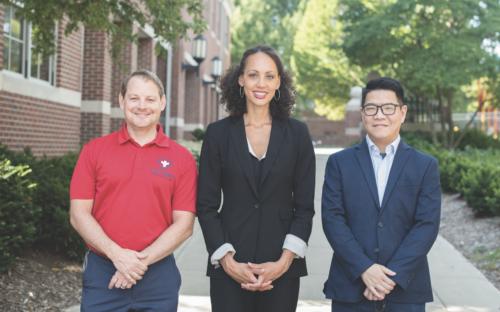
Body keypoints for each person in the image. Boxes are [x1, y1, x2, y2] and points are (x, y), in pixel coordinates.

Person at [197, 45, 315, 312]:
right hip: (230, 266)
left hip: (282, 269)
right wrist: (227, 261)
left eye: (269, 76)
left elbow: (305, 208)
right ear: (240, 79)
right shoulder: (218, 134)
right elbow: (205, 205)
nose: (261, 83)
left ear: (279, 82)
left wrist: (284, 262)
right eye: (253, 75)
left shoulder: (297, 134)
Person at [69, 70, 197, 311]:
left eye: (150, 99)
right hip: (103, 272)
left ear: (162, 103)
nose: (142, 106)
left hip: (158, 277)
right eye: (134, 98)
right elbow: (79, 215)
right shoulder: (94, 151)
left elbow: (184, 225)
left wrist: (136, 264)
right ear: (121, 101)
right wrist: (118, 255)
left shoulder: (182, 159)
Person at [321, 77, 441, 312]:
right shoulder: (339, 163)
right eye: (371, 108)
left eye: (388, 108)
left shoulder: (425, 166)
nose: (379, 115)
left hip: (406, 289)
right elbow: (333, 220)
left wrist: (388, 278)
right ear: (363, 113)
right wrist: (364, 268)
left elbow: (426, 225)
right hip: (351, 287)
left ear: (402, 112)